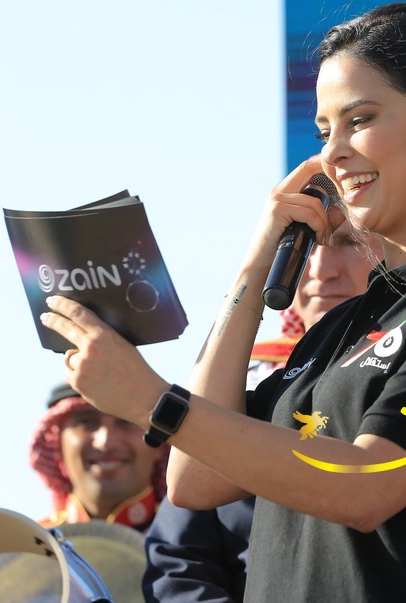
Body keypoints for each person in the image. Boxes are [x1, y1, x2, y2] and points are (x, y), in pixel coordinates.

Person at [40, 1, 406, 602]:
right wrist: (253, 267)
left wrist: (148, 398)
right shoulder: (343, 324)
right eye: (323, 131)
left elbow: (369, 485)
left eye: (359, 120)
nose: (331, 154)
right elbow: (196, 479)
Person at [143, 224, 375, 602]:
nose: (321, 270)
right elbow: (179, 561)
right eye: (305, 246)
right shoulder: (239, 385)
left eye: (350, 242)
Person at [29, 383, 169, 531]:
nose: (106, 443)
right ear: (58, 444)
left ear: (159, 444)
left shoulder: (183, 541)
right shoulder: (30, 542)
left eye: (127, 422)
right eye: (87, 422)